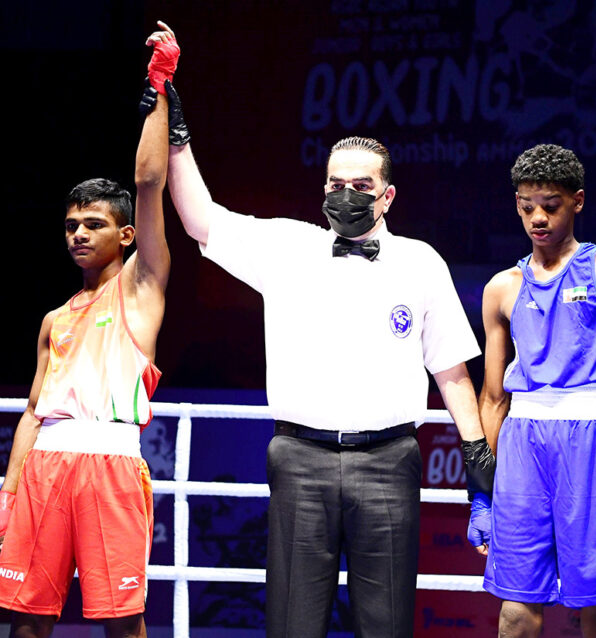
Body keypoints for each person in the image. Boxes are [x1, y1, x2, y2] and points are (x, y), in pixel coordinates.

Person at [160, 39, 494, 638]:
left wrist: (480, 475)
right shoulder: (287, 246)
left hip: (390, 461)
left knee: (386, 628)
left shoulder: (421, 262)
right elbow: (197, 218)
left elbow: (453, 377)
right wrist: (176, 138)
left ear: (387, 195)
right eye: (335, 183)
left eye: (360, 186)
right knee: (292, 626)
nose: (345, 193)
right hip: (300, 459)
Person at [0, 22, 176, 638]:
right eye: (71, 223)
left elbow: (149, 183)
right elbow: (31, 411)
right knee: (24, 623)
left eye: (93, 224)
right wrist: (10, 489)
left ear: (124, 236)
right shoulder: (54, 319)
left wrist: (161, 88)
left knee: (123, 624)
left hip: (110, 463)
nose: (78, 233)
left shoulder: (141, 288)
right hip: (44, 465)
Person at [473, 144, 596, 638]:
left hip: (594, 441)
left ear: (577, 201)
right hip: (522, 443)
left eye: (550, 206)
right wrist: (481, 494)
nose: (537, 218)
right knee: (516, 610)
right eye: (526, 206)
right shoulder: (502, 288)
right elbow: (493, 398)